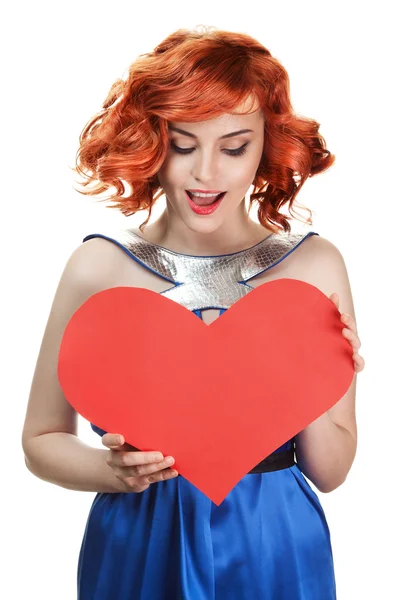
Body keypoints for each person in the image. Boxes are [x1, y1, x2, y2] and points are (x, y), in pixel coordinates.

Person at [22, 26, 365, 600]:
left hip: (274, 539)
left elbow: (331, 472)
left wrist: (311, 377)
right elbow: (41, 438)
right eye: (184, 144)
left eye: (234, 147)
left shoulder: (314, 266)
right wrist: (114, 473)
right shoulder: (97, 266)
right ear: (151, 141)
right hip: (141, 534)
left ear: (265, 146)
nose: (207, 173)